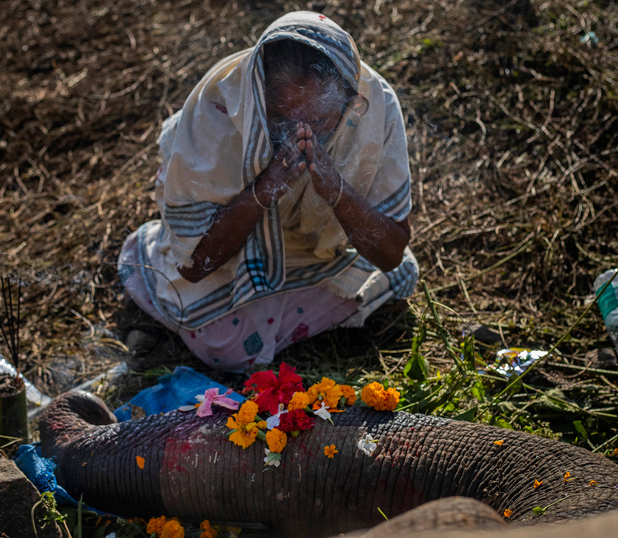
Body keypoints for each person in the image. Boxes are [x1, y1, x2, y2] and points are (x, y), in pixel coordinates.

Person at [117, 11, 418, 371]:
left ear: (350, 104)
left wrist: (336, 190)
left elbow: (391, 254)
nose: (299, 134)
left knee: (401, 274)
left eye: (318, 121)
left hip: (313, 251)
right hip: (226, 251)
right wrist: (264, 189)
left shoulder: (373, 108)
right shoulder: (219, 108)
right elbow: (195, 266)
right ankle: (147, 258)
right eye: (281, 118)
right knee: (226, 345)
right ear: (258, 97)